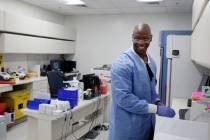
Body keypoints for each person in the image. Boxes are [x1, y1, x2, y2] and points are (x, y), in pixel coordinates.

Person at [109, 23, 175, 140]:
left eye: (145, 38)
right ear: (132, 37)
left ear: (151, 38)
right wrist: (156, 109)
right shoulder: (122, 64)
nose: (141, 42)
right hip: (128, 130)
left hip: (146, 125)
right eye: (137, 37)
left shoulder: (151, 62)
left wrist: (157, 101)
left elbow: (150, 89)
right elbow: (124, 99)